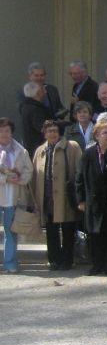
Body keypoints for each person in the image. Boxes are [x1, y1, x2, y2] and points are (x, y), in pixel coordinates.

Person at [30, 120, 82, 271]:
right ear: (44, 134)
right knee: (51, 231)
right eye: (49, 131)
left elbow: (79, 171)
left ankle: (67, 260)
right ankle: (54, 259)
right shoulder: (40, 150)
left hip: (66, 197)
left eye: (54, 130)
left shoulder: (72, 147)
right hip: (47, 197)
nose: (52, 133)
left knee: (68, 230)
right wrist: (33, 199)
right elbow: (34, 176)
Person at [75, 120, 107, 276]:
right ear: (96, 136)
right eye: (104, 133)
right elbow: (79, 177)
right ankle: (96, 264)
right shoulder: (88, 153)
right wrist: (80, 200)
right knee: (94, 235)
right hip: (93, 201)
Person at [0, 117, 33, 273]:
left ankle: (10, 262)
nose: (4, 134)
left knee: (10, 231)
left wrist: (19, 179)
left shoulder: (21, 150)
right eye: (1, 131)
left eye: (7, 130)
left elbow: (29, 170)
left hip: (13, 197)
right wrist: (5, 178)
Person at [19, 81, 50, 155]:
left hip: (30, 145)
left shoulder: (25, 106)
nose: (45, 92)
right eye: (43, 89)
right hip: (38, 148)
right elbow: (42, 128)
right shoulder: (36, 109)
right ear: (37, 93)